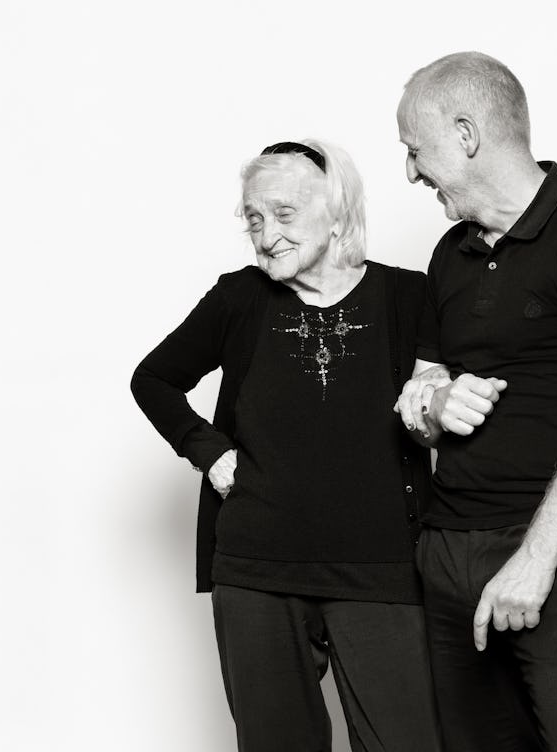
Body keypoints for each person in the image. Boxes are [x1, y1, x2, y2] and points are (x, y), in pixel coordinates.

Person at [131, 139, 441, 752]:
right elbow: (153, 379)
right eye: (253, 217)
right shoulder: (238, 299)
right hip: (257, 570)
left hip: (382, 569)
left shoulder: (410, 297)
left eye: (284, 214)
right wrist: (210, 451)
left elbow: (450, 401)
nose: (265, 233)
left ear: (337, 209)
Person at [392, 52, 557, 751]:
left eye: (416, 151)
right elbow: (417, 395)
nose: (412, 171)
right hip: (451, 553)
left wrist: (535, 563)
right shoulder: (450, 254)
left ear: (466, 134)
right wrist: (432, 404)